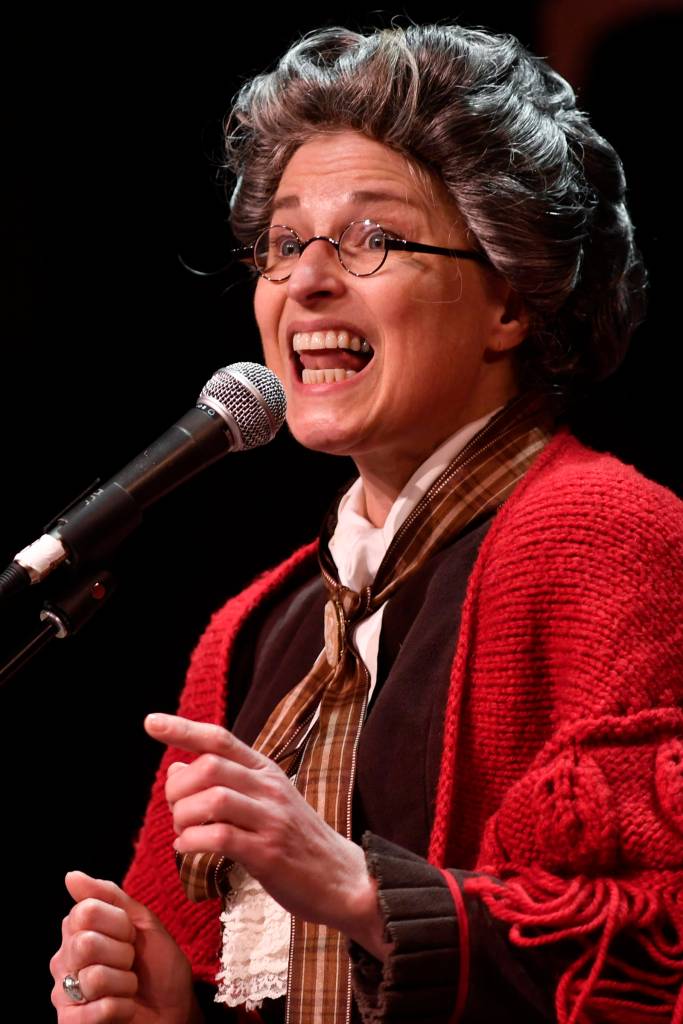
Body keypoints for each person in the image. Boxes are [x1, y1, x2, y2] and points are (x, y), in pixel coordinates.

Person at [50, 23, 683, 1024]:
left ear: (509, 300)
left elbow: (657, 947)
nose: (305, 281)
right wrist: (168, 1002)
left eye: (370, 238)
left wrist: (362, 893)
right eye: (284, 243)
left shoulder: (607, 538)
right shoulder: (256, 628)